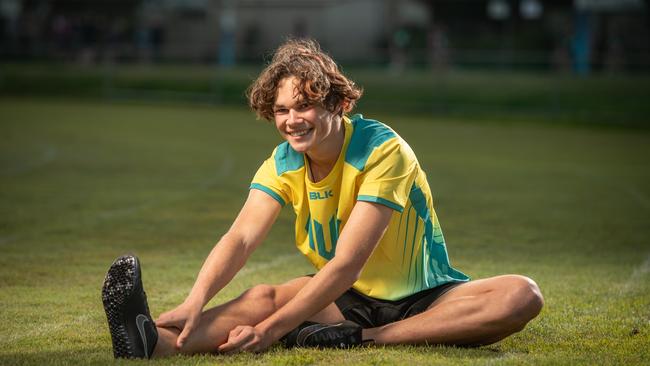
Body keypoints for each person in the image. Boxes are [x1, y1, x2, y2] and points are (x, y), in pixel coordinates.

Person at [101, 39, 544, 359]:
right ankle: (151, 339)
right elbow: (240, 239)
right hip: (346, 297)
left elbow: (349, 260)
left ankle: (365, 340)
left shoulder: (382, 149)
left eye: (304, 106)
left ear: (336, 103)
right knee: (265, 296)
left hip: (426, 296)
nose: (292, 121)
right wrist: (196, 297)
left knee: (520, 295)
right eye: (281, 110)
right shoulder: (282, 161)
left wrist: (273, 332)